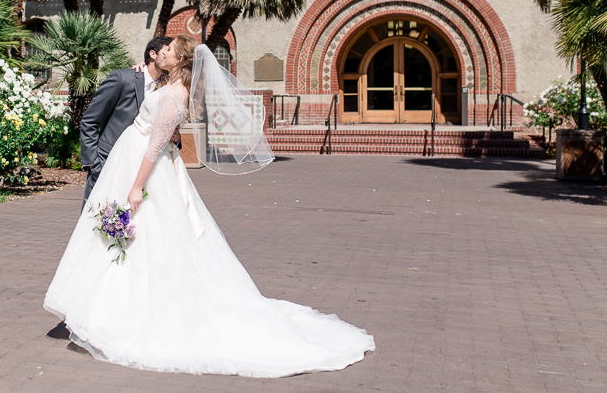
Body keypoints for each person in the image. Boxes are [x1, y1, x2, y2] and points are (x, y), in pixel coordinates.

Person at [45, 35, 375, 377]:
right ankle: (103, 308)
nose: (162, 52)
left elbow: (155, 146)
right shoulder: (165, 85)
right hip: (128, 161)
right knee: (124, 239)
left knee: (141, 240)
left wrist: (137, 187)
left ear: (181, 61)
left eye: (169, 49)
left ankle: (129, 314)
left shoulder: (175, 94)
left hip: (143, 169)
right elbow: (168, 131)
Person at [79, 36, 174, 207]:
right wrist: (93, 163)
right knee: (96, 219)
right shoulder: (122, 78)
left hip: (142, 169)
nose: (171, 55)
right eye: (167, 50)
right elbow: (90, 120)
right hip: (107, 162)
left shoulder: (168, 89)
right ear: (153, 54)